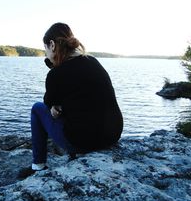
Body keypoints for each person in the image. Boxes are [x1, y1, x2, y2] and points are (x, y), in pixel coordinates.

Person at [23, 23, 123, 175]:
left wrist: (56, 107)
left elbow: (49, 103)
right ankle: (73, 155)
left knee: (37, 109)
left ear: (52, 45)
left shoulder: (55, 75)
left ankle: (38, 165)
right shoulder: (93, 61)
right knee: (77, 111)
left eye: (45, 49)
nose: (45, 54)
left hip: (83, 143)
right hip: (112, 135)